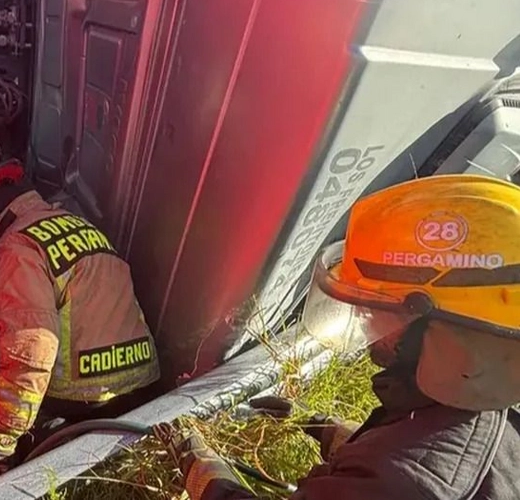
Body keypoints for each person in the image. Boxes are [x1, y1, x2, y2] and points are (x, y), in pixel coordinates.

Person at [159, 175, 520, 500]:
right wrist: (316, 424)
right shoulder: (482, 407)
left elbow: (398, 476)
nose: (363, 316)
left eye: (377, 306)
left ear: (450, 341)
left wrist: (199, 469)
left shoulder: (396, 484)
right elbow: (410, 458)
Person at [0, 160, 160, 494]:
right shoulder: (78, 223)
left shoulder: (15, 248)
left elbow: (31, 351)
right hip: (144, 385)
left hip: (83, 398)